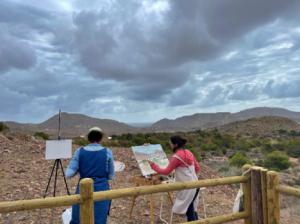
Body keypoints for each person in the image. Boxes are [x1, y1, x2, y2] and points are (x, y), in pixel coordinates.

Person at [66, 127, 115, 224]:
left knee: (79, 216)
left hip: (83, 187)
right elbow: (111, 175)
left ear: (88, 138)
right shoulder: (107, 152)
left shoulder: (79, 151)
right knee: (100, 217)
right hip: (102, 188)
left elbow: (69, 173)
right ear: (100, 138)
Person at [148, 135, 200, 221]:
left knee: (189, 211)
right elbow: (197, 168)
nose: (170, 145)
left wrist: (153, 165)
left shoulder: (177, 157)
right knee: (192, 208)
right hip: (196, 184)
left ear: (175, 145)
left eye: (171, 144)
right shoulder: (189, 152)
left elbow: (166, 172)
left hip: (187, 187)